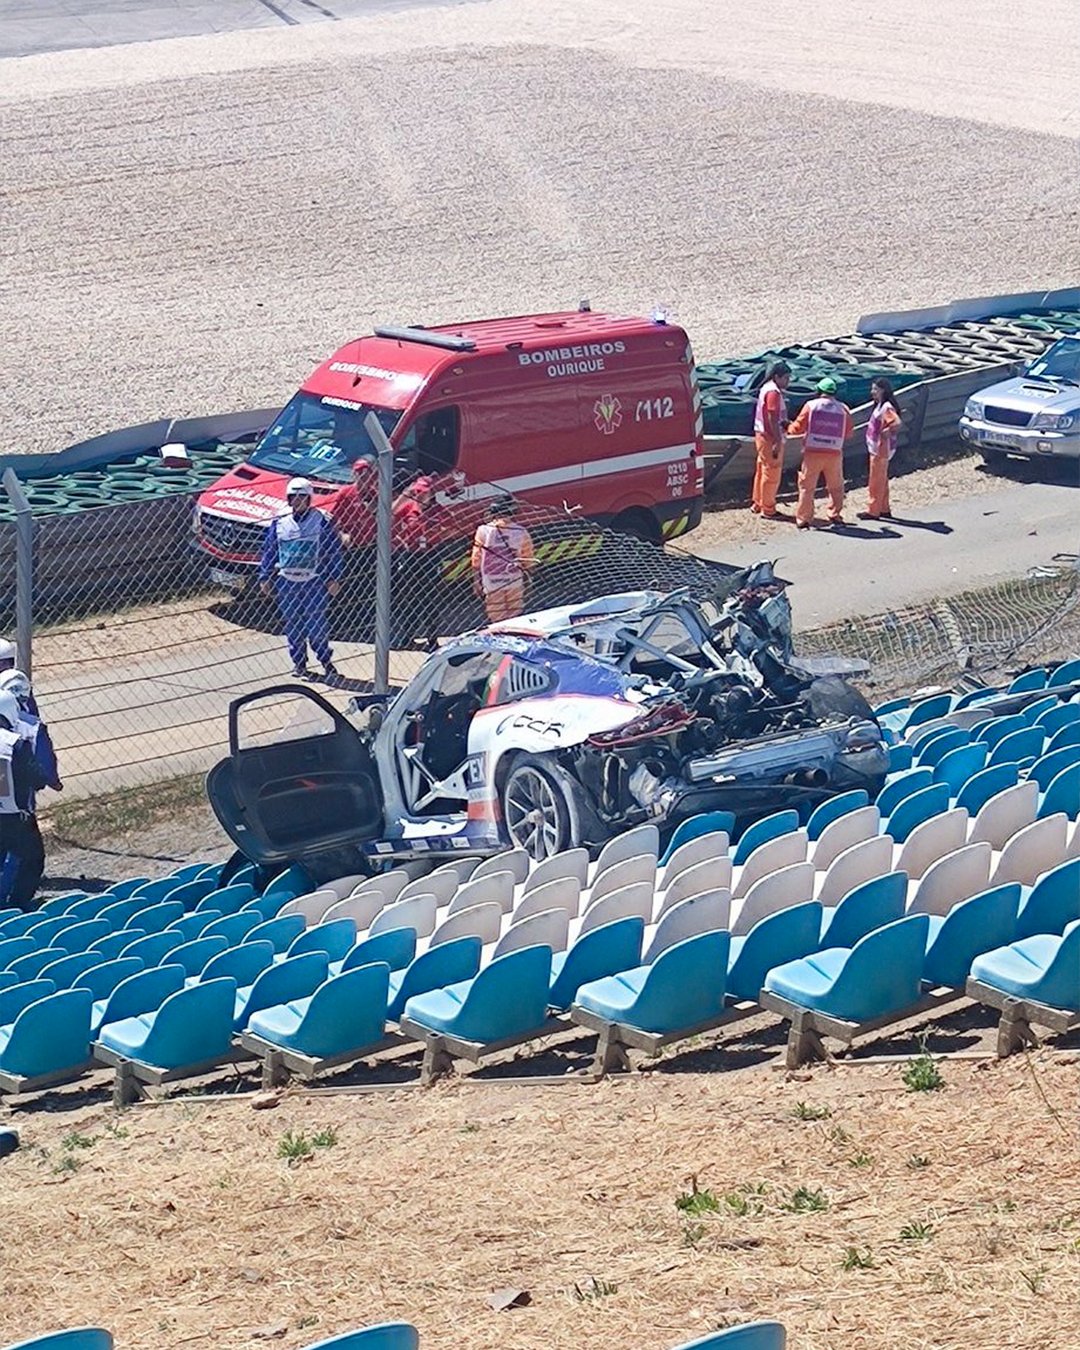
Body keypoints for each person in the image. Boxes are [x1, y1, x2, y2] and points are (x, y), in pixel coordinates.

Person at [259, 477, 343, 681]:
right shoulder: (280, 523)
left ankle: (325, 661)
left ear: (309, 499)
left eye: (301, 497)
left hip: (313, 582)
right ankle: (299, 663)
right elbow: (270, 551)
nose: (297, 501)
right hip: (287, 582)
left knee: (317, 626)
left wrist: (334, 578)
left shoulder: (321, 521)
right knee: (293, 626)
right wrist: (265, 577)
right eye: (293, 497)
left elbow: (333, 551)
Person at [0, 670, 59, 911]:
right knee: (31, 859)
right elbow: (35, 776)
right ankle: (15, 906)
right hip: (17, 815)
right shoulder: (15, 742)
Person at [787, 376, 854, 529]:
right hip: (834, 453)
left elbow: (797, 428)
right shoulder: (843, 408)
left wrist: (788, 427)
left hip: (813, 453)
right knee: (836, 486)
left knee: (807, 487)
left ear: (819, 390)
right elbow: (849, 433)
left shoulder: (811, 406)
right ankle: (834, 514)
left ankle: (803, 519)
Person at [391, 476, 443, 649]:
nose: (421, 497)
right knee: (408, 599)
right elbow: (390, 515)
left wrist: (435, 536)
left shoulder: (438, 510)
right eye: (418, 493)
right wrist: (405, 495)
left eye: (424, 494)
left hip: (429, 556)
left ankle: (432, 638)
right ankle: (407, 636)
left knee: (430, 600)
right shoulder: (408, 508)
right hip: (411, 556)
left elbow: (450, 526)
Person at [471, 497, 536, 623]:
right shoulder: (520, 531)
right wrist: (529, 577)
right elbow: (527, 558)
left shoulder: (483, 531)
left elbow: (476, 558)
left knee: (496, 617)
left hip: (491, 581)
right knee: (515, 615)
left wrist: (476, 581)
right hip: (514, 580)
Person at [751, 361, 791, 519]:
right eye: (786, 378)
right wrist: (776, 441)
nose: (788, 381)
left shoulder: (766, 388)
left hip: (761, 434)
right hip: (769, 437)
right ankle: (768, 508)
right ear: (777, 377)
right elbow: (772, 417)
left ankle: (758, 502)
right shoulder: (773, 392)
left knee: (762, 470)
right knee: (772, 473)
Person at [859, 377, 902, 520]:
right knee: (881, 479)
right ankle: (884, 508)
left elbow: (896, 423)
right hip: (878, 448)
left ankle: (873, 511)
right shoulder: (881, 405)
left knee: (876, 481)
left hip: (881, 449)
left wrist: (887, 432)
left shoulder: (886, 407)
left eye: (875, 390)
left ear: (883, 391)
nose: (872, 392)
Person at [336, 457, 379, 549]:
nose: (362, 476)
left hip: (372, 542)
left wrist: (374, 511)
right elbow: (334, 519)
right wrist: (341, 535)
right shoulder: (345, 493)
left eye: (366, 474)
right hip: (351, 542)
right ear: (353, 474)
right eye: (358, 473)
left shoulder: (375, 494)